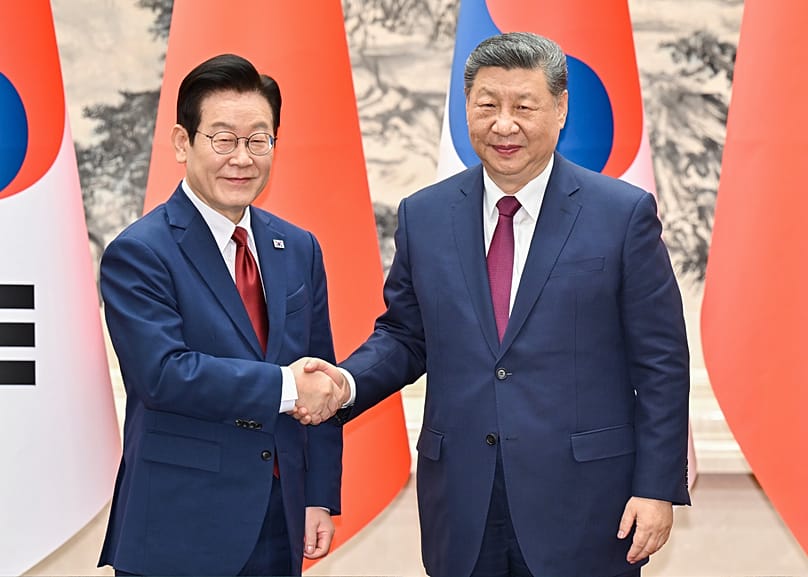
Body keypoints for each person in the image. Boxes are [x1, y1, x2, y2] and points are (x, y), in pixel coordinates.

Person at [299, 32, 691, 577]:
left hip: (587, 506)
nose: (504, 125)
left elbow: (662, 364)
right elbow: (405, 337)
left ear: (560, 109)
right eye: (487, 105)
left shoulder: (621, 215)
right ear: (467, 109)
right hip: (463, 502)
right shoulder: (425, 215)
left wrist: (656, 488)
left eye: (523, 107)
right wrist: (346, 383)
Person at [98, 53, 346, 576]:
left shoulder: (297, 247)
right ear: (183, 143)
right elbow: (163, 375)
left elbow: (318, 372)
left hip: (279, 522)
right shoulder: (140, 252)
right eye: (223, 138)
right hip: (179, 527)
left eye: (259, 139)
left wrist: (318, 497)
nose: (242, 157)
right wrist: (283, 385)